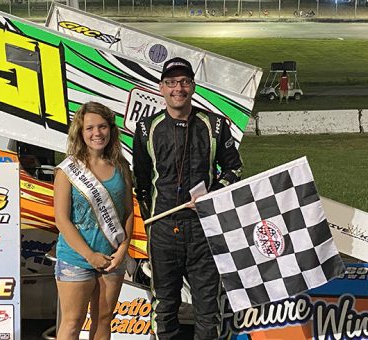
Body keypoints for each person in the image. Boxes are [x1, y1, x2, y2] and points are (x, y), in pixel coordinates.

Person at [132, 57, 243, 339]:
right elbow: (141, 183)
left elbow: (234, 168)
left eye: (183, 82)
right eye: (171, 83)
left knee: (208, 309)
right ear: (161, 88)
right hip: (163, 230)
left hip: (204, 230)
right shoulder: (146, 128)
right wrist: (151, 224)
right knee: (165, 307)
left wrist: (212, 195)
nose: (177, 88)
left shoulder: (215, 125)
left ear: (192, 87)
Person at [53, 101, 135, 340]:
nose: (97, 133)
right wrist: (90, 256)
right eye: (89, 128)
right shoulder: (67, 170)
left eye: (102, 127)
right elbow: (62, 220)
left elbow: (128, 212)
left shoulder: (121, 166)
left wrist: (122, 251)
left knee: (103, 320)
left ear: (111, 129)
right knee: (72, 322)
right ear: (80, 132)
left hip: (112, 258)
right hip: (76, 258)